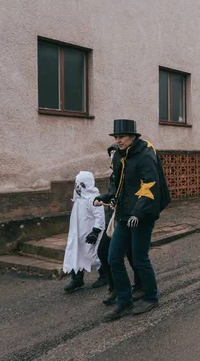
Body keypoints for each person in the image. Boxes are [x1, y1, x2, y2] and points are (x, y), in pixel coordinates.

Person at [94, 119, 171, 321]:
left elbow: (150, 186)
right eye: (116, 137)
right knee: (113, 258)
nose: (118, 140)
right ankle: (124, 300)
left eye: (121, 137)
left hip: (142, 215)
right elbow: (117, 185)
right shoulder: (120, 156)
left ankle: (151, 296)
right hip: (123, 214)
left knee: (139, 258)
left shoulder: (145, 156)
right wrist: (106, 196)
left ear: (133, 137)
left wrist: (137, 212)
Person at [95, 144, 142, 305]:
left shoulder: (130, 170)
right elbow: (113, 192)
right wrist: (103, 197)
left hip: (127, 217)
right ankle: (114, 286)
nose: (112, 156)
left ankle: (140, 286)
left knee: (132, 255)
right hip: (113, 219)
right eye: (110, 154)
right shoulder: (115, 173)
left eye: (115, 153)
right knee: (104, 252)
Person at [62, 171, 105, 293]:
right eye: (76, 184)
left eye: (80, 184)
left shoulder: (94, 199)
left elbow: (100, 217)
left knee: (93, 255)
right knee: (75, 254)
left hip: (90, 234)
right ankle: (77, 279)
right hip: (77, 235)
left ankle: (105, 275)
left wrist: (95, 231)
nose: (77, 187)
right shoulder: (78, 200)